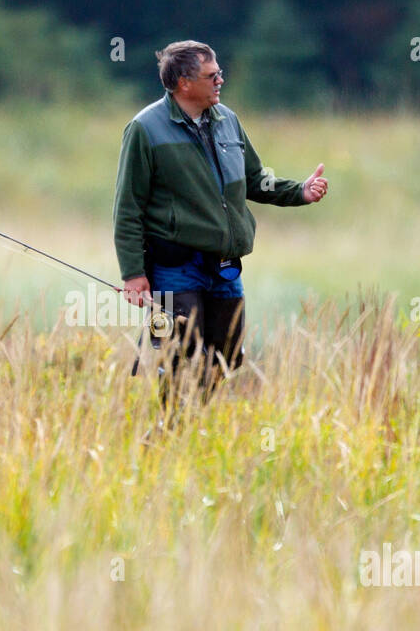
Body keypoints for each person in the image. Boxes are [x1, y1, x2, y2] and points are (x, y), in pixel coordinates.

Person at [113, 40, 327, 401]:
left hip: (224, 265)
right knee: (179, 358)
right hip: (172, 267)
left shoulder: (228, 120)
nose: (220, 81)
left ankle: (193, 425)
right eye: (212, 75)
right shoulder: (144, 129)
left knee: (228, 357)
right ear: (183, 82)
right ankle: (171, 437)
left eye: (220, 74)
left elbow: (256, 179)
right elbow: (128, 207)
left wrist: (300, 191)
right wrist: (133, 274)